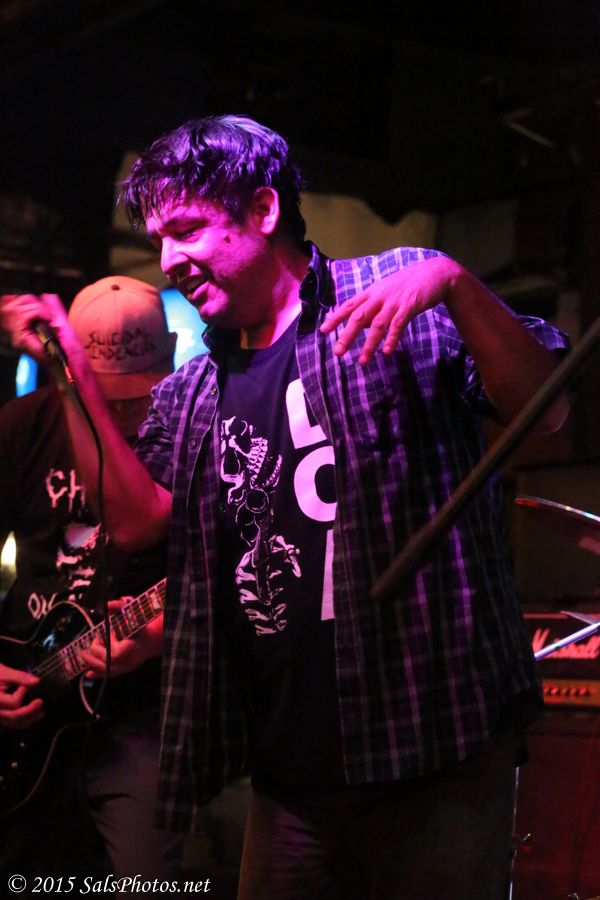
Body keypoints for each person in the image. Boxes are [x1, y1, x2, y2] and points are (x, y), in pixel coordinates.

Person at [0, 115, 571, 900]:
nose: (168, 260)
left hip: (434, 749)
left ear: (264, 210)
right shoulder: (194, 392)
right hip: (289, 773)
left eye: (187, 229)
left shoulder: (396, 287)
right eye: (159, 240)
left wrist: (454, 281)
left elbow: (545, 411)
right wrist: (68, 371)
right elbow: (137, 523)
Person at [0, 276, 183, 882]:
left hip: (140, 714)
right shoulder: (23, 426)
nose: (125, 413)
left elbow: (229, 582)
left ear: (172, 359)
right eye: (107, 397)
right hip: (27, 685)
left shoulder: (195, 435)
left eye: (139, 395)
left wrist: (160, 636)